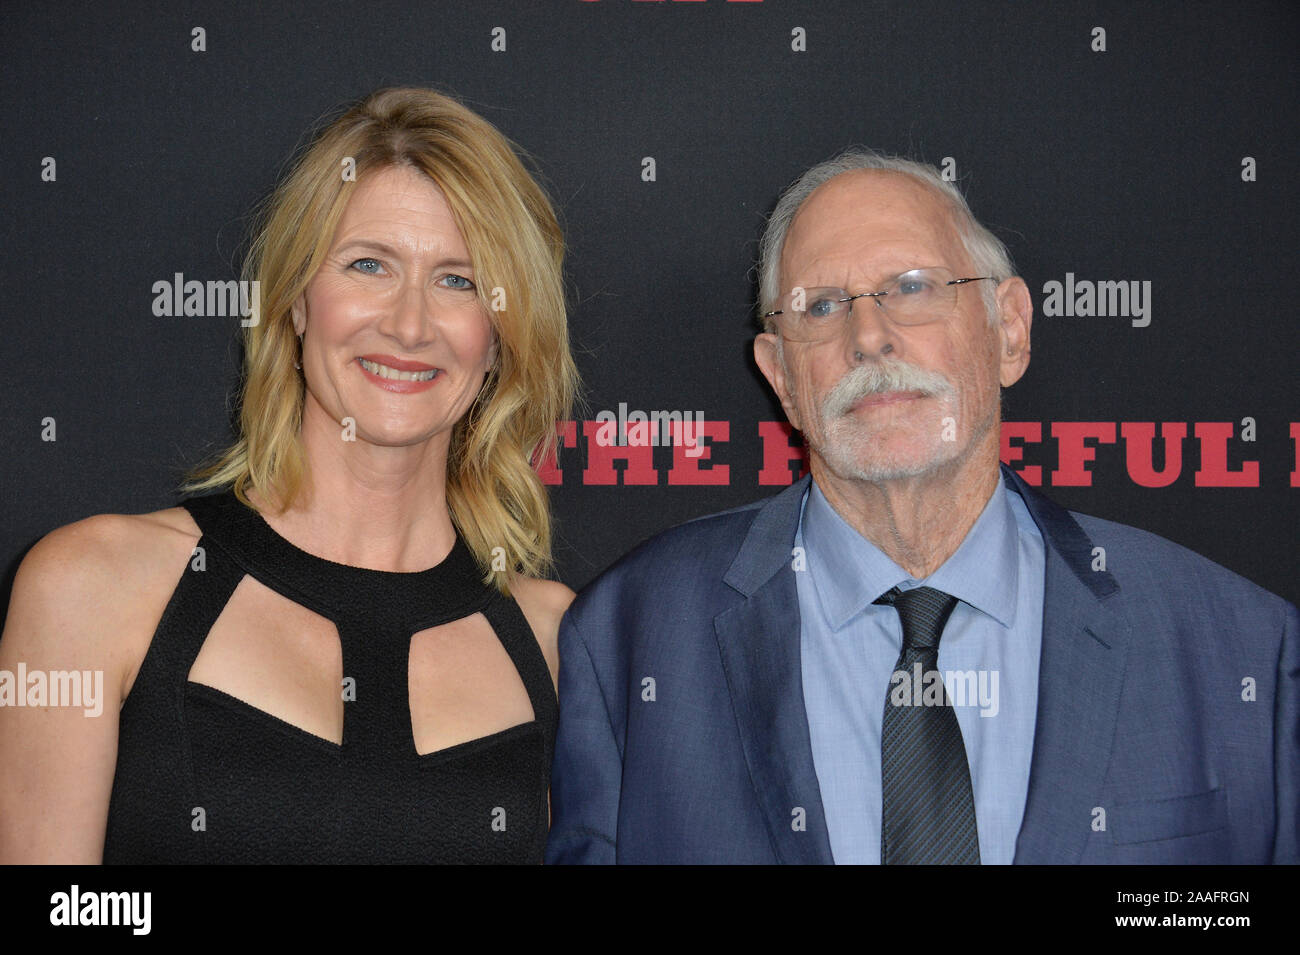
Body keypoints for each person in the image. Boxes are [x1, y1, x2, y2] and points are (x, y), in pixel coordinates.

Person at [545, 150, 1298, 864]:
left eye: (913, 287)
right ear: (781, 378)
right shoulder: (630, 638)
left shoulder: (1242, 651)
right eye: (822, 305)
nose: (869, 336)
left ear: (1009, 329)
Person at [0, 87, 579, 864]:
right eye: (369, 265)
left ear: (500, 336)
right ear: (298, 300)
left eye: (458, 280)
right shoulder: (94, 586)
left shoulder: (556, 643)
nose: (409, 325)